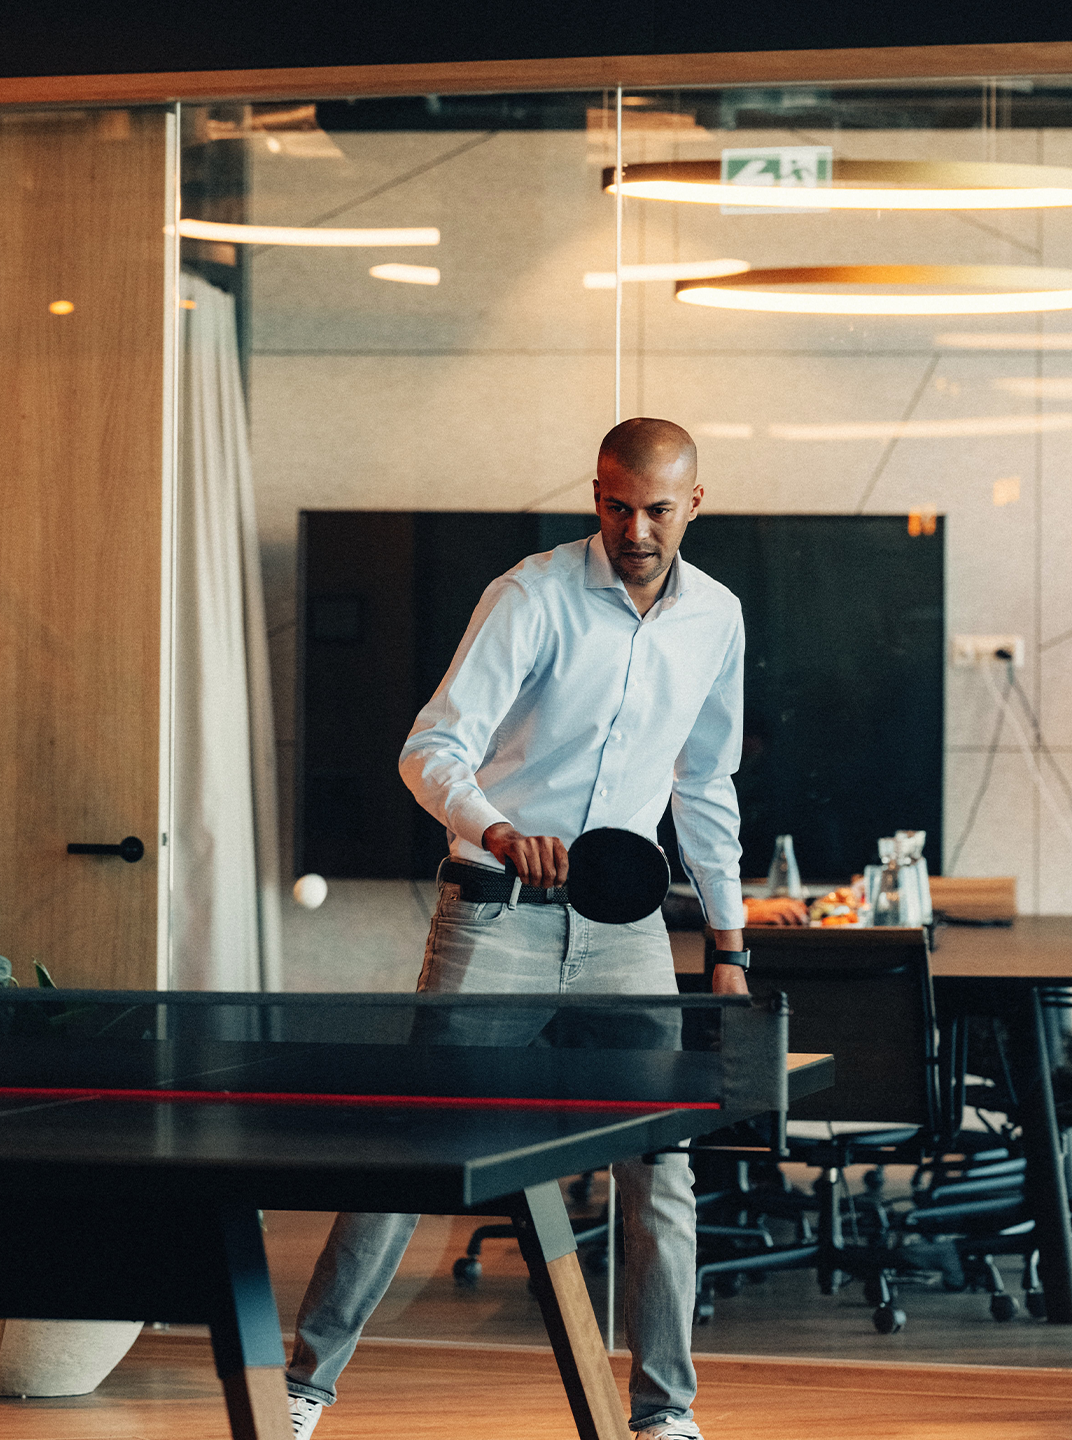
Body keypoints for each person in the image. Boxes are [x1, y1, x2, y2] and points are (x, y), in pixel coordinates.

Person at [285, 417, 751, 1440]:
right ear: (596, 496)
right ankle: (305, 1388)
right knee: (412, 1151)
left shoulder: (716, 617)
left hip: (626, 935)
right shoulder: (530, 597)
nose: (634, 530)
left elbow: (706, 785)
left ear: (693, 503)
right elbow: (429, 749)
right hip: (495, 917)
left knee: (660, 1170)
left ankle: (664, 1414)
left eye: (656, 510)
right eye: (616, 506)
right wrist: (495, 827)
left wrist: (728, 945)